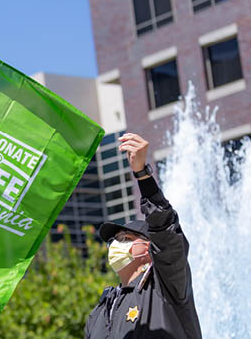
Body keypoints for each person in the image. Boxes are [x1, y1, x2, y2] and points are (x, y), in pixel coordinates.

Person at [84, 133, 202, 339]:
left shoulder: (166, 285)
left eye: (125, 238)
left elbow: (165, 230)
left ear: (149, 249)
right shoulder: (100, 312)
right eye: (113, 241)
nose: (115, 245)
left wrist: (142, 175)